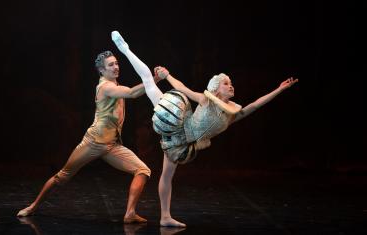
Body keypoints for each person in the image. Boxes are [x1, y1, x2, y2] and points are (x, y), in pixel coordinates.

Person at [111, 31, 298, 227]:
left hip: (184, 145)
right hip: (176, 122)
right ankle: (125, 48)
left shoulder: (230, 114)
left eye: (231, 83)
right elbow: (183, 88)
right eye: (226, 83)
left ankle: (165, 217)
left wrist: (279, 89)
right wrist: (167, 76)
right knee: (149, 81)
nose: (231, 86)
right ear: (217, 89)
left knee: (167, 175)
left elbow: (255, 105)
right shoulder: (206, 100)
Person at [17, 50, 161, 224]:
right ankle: (33, 206)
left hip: (111, 145)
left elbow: (130, 93)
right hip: (93, 142)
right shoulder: (105, 87)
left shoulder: (114, 85)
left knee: (143, 171)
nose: (116, 67)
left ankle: (130, 213)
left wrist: (154, 80)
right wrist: (155, 79)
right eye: (111, 65)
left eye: (116, 63)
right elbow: (132, 93)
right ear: (102, 70)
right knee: (62, 177)